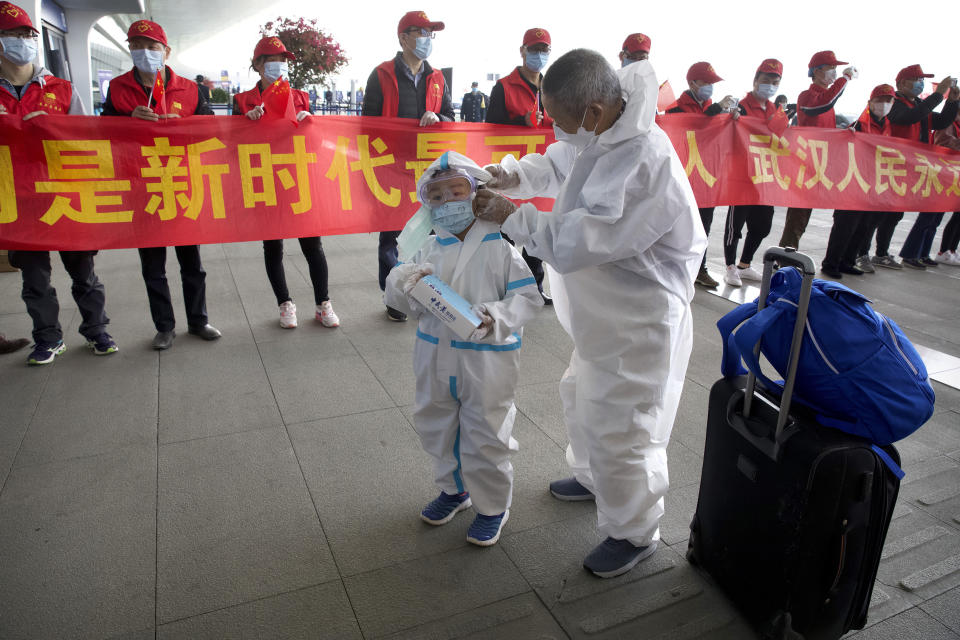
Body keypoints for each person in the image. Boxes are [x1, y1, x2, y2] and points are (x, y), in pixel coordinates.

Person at [475, 50, 706, 577]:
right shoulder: (604, 131)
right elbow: (561, 162)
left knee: (625, 428)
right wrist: (510, 177)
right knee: (581, 398)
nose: (555, 127)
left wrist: (513, 216)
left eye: (559, 117)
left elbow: (581, 240)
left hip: (640, 319)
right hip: (605, 313)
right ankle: (591, 477)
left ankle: (634, 531)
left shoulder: (644, 158)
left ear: (595, 110)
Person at [384, 151, 542, 546]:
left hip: (487, 360)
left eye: (457, 191)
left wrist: (494, 317)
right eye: (436, 196)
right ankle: (455, 490)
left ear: (477, 194)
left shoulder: (500, 249)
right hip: (434, 355)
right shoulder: (427, 249)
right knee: (436, 422)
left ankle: (493, 506)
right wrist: (406, 283)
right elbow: (402, 299)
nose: (447, 203)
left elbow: (528, 299)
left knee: (487, 431)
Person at [0, 1, 118, 365]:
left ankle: (96, 329)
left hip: (64, 196)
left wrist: (51, 129)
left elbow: (87, 143)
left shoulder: (62, 90)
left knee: (84, 273)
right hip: (18, 203)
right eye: (13, 35)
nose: (24, 41)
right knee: (35, 280)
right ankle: (47, 338)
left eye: (27, 35)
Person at [101, 19, 221, 350]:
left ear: (166, 51)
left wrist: (185, 124)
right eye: (137, 46)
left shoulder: (190, 88)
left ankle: (198, 321)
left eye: (152, 47)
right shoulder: (117, 88)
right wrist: (128, 122)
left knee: (192, 263)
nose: (144, 52)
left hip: (182, 185)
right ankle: (164, 326)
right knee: (153, 266)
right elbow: (101, 131)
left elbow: (210, 126)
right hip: (143, 187)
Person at [234, 36, 340, 329]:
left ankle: (323, 303)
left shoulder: (300, 97)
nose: (279, 66)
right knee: (273, 246)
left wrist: (311, 122)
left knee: (313, 245)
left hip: (299, 180)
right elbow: (230, 145)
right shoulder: (242, 101)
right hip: (264, 180)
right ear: (258, 65)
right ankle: (285, 304)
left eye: (283, 61)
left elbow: (316, 142)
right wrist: (246, 123)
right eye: (272, 60)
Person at [362, 10, 455, 323]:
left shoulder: (438, 78)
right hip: (390, 167)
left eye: (430, 33)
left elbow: (451, 118)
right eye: (421, 32)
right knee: (391, 235)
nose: (426, 39)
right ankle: (394, 296)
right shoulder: (382, 74)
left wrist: (438, 118)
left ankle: (426, 290)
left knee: (430, 231)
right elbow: (367, 124)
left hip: (427, 170)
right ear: (403, 37)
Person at [486, 27, 554, 304]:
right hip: (512, 173)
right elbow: (490, 130)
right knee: (508, 230)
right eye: (534, 49)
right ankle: (505, 286)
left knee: (538, 229)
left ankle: (534, 287)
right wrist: (520, 123)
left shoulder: (553, 88)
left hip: (542, 170)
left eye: (544, 50)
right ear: (523, 51)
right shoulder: (504, 86)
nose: (539, 55)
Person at [666, 61, 737, 289]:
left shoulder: (715, 109)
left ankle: (700, 268)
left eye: (712, 83)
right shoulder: (676, 107)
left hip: (706, 177)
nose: (709, 87)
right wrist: (716, 111)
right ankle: (674, 266)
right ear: (692, 83)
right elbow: (690, 125)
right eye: (706, 82)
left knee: (703, 226)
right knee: (678, 225)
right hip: (682, 176)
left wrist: (731, 118)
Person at [780, 51, 856, 252]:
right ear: (816, 70)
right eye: (830, 68)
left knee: (803, 217)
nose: (834, 72)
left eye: (835, 69)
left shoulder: (825, 101)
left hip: (820, 165)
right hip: (806, 165)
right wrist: (845, 79)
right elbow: (825, 103)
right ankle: (785, 256)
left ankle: (788, 254)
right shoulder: (808, 97)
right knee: (798, 216)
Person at [821, 84, 897, 278]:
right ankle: (831, 263)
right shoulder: (858, 125)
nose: (884, 105)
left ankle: (847, 261)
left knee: (863, 227)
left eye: (888, 101)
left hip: (872, 186)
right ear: (870, 103)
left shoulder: (887, 127)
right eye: (880, 100)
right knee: (845, 226)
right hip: (853, 184)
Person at [723, 59, 784, 287]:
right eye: (766, 80)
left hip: (764, 177)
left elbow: (782, 140)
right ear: (756, 80)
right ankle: (730, 266)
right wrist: (734, 119)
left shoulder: (774, 110)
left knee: (762, 226)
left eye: (774, 81)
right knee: (734, 227)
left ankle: (745, 264)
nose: (770, 85)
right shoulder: (742, 106)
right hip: (741, 177)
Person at [892, 66, 959, 269]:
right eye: (916, 79)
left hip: (918, 167)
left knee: (931, 216)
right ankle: (898, 253)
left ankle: (920, 252)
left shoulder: (919, 104)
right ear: (901, 83)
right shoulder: (897, 104)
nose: (920, 83)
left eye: (922, 79)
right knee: (884, 217)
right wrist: (939, 94)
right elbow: (912, 117)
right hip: (897, 165)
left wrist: (951, 101)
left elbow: (939, 121)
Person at [934, 112, 960, 265]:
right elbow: (944, 143)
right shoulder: (948, 124)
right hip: (946, 174)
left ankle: (951, 250)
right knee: (932, 219)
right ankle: (943, 250)